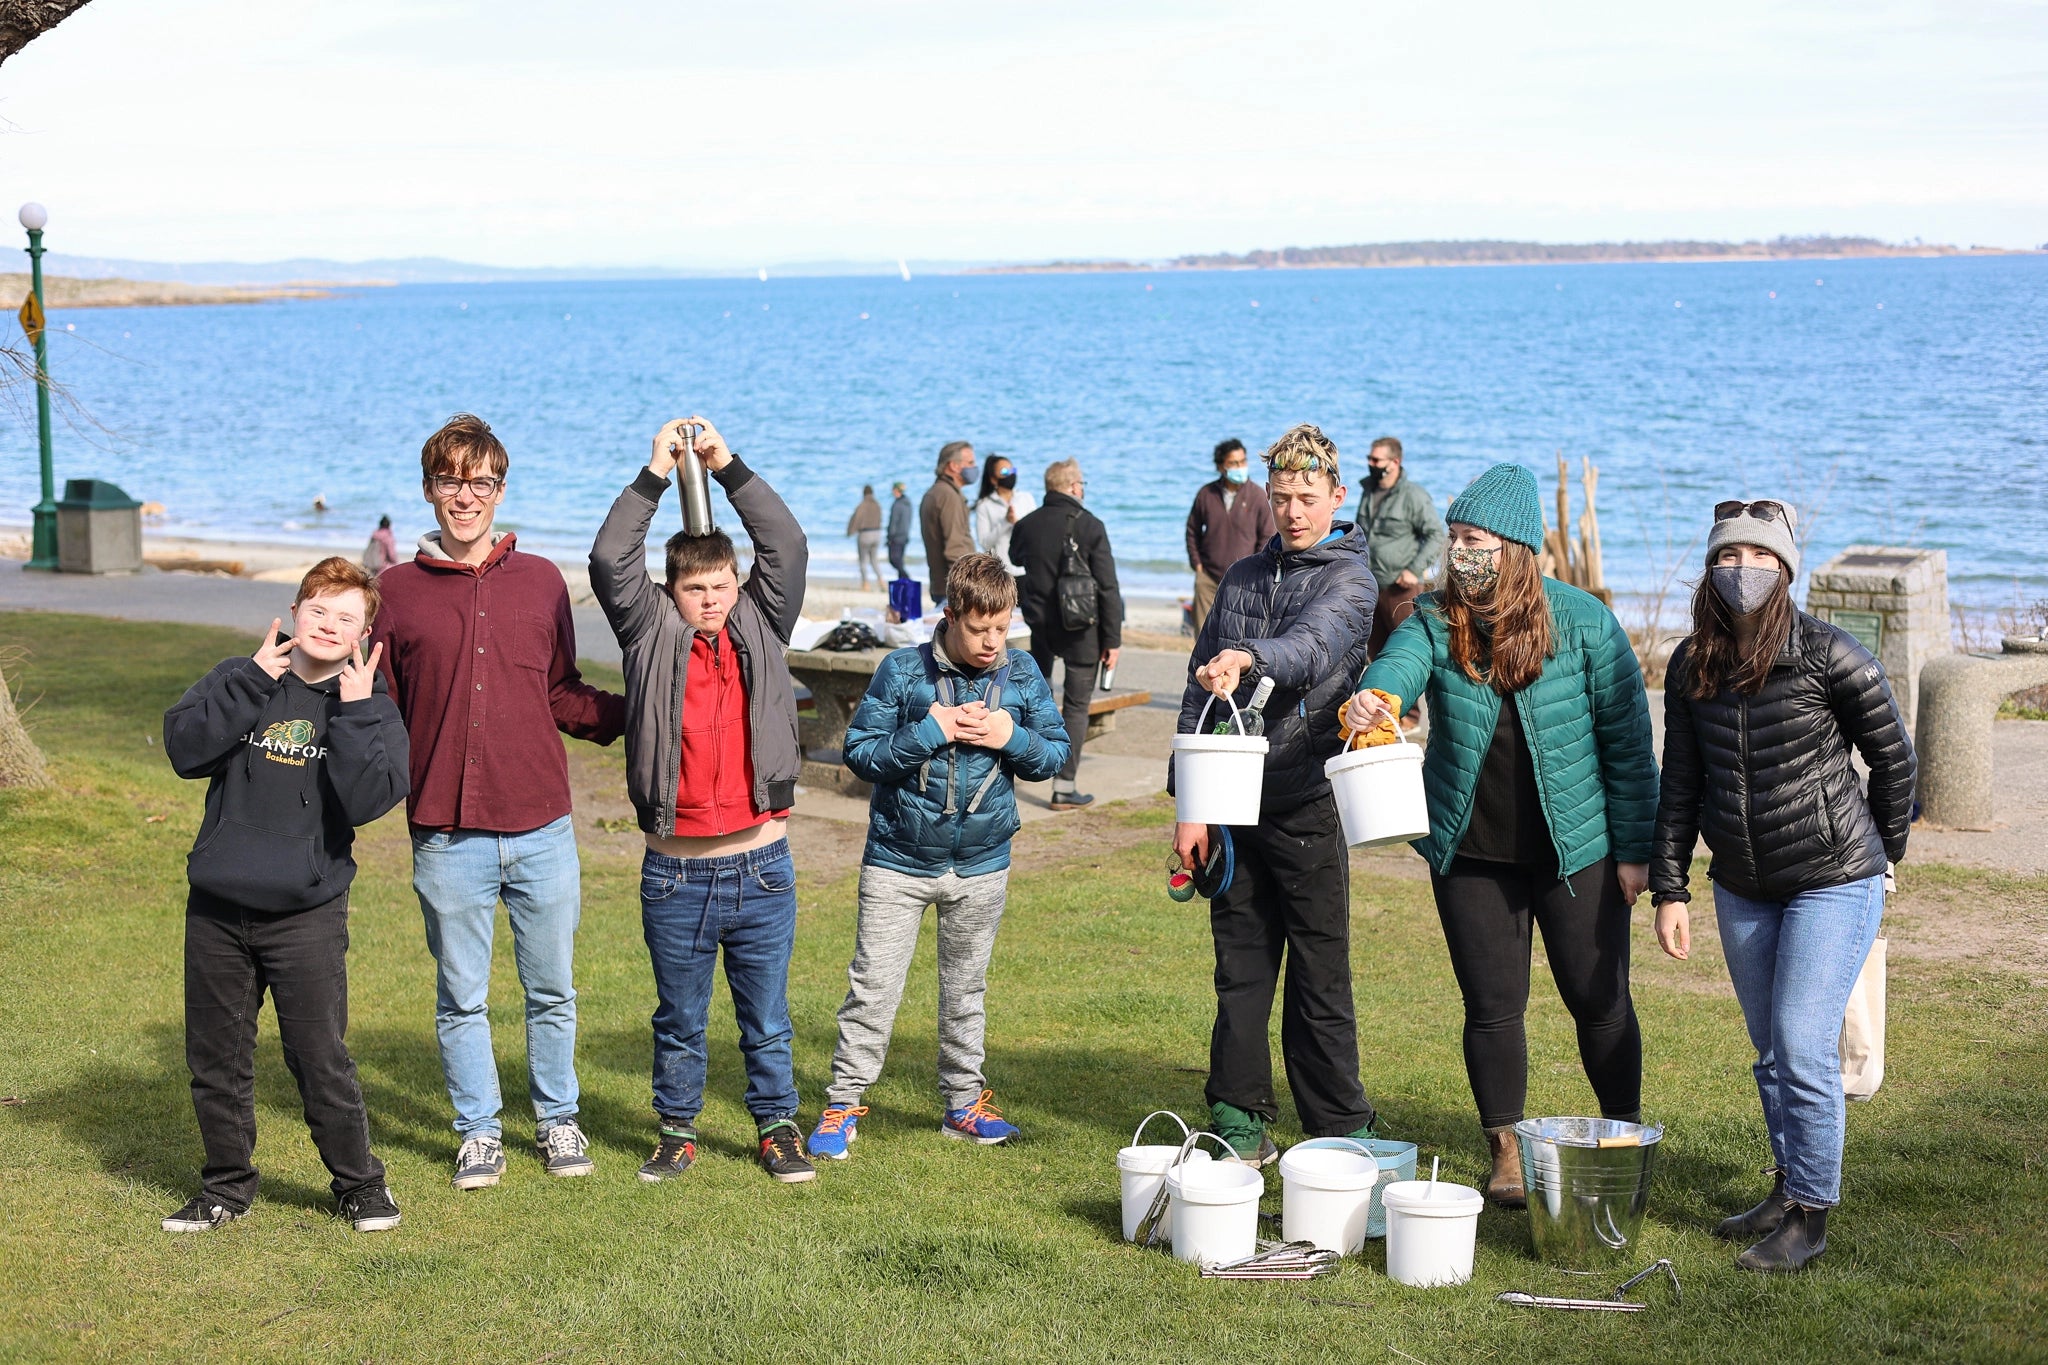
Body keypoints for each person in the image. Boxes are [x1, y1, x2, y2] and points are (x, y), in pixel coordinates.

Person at [1346, 462, 1658, 1209]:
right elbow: (1400, 663)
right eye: (1453, 537)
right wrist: (1377, 695)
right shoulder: (1434, 619)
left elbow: (1628, 742)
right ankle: (1506, 1149)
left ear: (1513, 547)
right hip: (1472, 852)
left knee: (1600, 998)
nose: (1459, 551)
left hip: (1577, 849)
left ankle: (1622, 1131)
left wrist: (1637, 850)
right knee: (1492, 1004)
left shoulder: (1584, 622)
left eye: (1473, 538)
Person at [1651, 499, 1915, 1274]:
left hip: (1834, 878)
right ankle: (1785, 1187)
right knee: (1772, 1050)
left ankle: (1810, 1215)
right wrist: (1670, 887)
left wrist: (1883, 854)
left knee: (1803, 1041)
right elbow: (1681, 786)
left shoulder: (1833, 656)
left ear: (1786, 570)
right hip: (1741, 882)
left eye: (1761, 559)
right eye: (1730, 557)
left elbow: (1894, 761)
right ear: (1711, 568)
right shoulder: (1690, 665)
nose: (1744, 571)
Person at [374, 414, 626, 1191]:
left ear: (500, 489)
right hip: (447, 836)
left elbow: (560, 691)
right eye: (450, 480)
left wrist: (642, 712)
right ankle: (479, 1131)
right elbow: (376, 714)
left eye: (480, 480)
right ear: (429, 488)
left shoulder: (543, 581)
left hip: (542, 824)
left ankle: (558, 1120)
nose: (465, 495)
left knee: (552, 989)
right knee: (462, 995)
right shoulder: (395, 592)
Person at [590, 416, 816, 1185]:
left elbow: (786, 546)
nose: (712, 599)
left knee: (768, 1020)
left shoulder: (761, 617)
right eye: (696, 588)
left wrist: (727, 465)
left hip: (760, 867)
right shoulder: (647, 630)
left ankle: (778, 1127)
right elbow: (607, 556)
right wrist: (656, 471)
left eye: (722, 585)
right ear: (672, 590)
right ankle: (677, 1132)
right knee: (679, 1020)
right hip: (675, 876)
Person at [160, 558, 408, 1235]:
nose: (328, 625)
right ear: (295, 613)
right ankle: (224, 1187)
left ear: (363, 632)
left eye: (346, 617)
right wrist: (250, 680)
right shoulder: (241, 676)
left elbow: (368, 799)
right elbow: (184, 748)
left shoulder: (371, 706)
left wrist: (354, 713)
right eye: (319, 610)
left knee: (318, 1054)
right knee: (216, 1057)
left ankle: (360, 1184)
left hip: (306, 912)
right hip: (218, 906)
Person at [807, 554, 1071, 1158]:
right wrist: (933, 729)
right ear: (950, 615)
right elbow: (860, 755)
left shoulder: (1024, 673)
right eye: (980, 629)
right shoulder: (902, 669)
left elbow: (1054, 756)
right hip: (897, 863)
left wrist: (1012, 738)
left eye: (1002, 629)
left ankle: (962, 1107)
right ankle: (842, 1106)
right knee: (872, 989)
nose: (992, 642)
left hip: (983, 865)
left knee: (966, 991)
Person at [1172, 424, 1382, 1163]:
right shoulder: (1239, 578)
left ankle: (1338, 1123)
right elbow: (1196, 689)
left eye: (1307, 497)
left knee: (1321, 969)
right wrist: (1189, 803)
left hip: (1305, 799)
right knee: (1241, 967)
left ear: (1336, 495)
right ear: (1268, 495)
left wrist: (1249, 654)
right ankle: (1237, 1113)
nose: (1294, 511)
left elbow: (1312, 648)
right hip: (1231, 808)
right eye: (1282, 497)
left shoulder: (1352, 579)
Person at [1010, 458, 1122, 811]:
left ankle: (1017, 773)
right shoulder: (1090, 526)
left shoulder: (1026, 525)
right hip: (1081, 630)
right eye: (1083, 483)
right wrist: (1113, 639)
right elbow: (1107, 586)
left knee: (1032, 702)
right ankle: (1064, 788)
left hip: (1039, 625)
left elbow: (1014, 557)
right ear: (1074, 487)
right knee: (1076, 708)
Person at [1358, 437, 1444, 660]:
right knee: (1376, 657)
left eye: (1377, 460)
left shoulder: (1413, 496)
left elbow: (1436, 535)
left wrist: (1413, 570)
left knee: (1405, 656)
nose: (1371, 464)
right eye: (1370, 458)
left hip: (1400, 589)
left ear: (1395, 462)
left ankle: (1412, 697)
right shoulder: (1368, 490)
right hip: (1371, 587)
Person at [1184, 438, 1275, 635]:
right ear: (1220, 466)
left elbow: (1267, 537)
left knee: (1235, 637)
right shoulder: (1206, 494)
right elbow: (1192, 530)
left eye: (1243, 461)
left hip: (1243, 580)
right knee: (1203, 638)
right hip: (1207, 578)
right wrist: (1197, 565)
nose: (1240, 467)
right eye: (1233, 463)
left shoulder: (1258, 496)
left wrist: (1254, 571)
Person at [920, 441, 978, 606]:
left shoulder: (936, 492)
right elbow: (955, 548)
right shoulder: (948, 496)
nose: (974, 468)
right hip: (954, 590)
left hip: (941, 586)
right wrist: (969, 588)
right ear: (953, 466)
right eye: (970, 463)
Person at [972, 453, 1037, 577]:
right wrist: (1005, 522)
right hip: (1000, 573)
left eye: (1012, 470)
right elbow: (985, 542)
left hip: (1026, 570)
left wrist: (1016, 523)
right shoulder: (985, 505)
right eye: (1004, 471)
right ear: (993, 479)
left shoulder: (1025, 498)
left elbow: (1035, 533)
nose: (1010, 474)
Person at [847, 484, 884, 590]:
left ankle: (865, 584)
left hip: (865, 535)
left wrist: (850, 532)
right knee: (874, 560)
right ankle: (881, 580)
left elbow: (856, 519)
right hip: (877, 534)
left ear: (864, 494)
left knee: (863, 561)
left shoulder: (862, 506)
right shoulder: (877, 505)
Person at [886, 482, 913, 580]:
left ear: (896, 490)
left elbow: (893, 522)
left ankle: (906, 577)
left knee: (894, 560)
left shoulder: (897, 504)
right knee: (899, 560)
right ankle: (902, 581)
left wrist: (890, 536)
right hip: (904, 536)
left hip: (896, 537)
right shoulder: (908, 503)